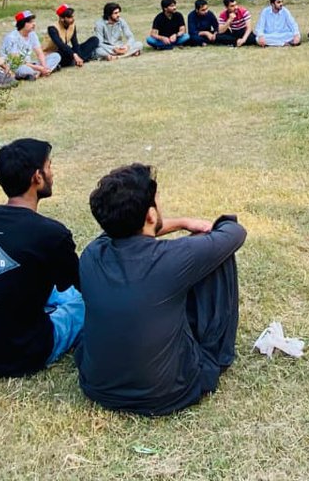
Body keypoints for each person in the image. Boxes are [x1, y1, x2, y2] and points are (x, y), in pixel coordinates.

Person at [77, 163, 246, 416]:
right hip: (169, 393)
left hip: (96, 387)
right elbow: (234, 233)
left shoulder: (91, 254)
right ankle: (217, 351)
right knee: (220, 254)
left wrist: (181, 223)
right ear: (151, 215)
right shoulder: (171, 258)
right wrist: (198, 228)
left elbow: (119, 233)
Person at [0, 139, 83, 377]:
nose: (52, 173)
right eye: (49, 167)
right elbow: (84, 285)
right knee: (85, 303)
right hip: (22, 354)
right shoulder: (51, 233)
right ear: (37, 177)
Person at [3, 11, 60, 79]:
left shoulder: (32, 34)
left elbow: (39, 53)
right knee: (24, 69)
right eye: (30, 22)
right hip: (15, 66)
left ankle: (39, 72)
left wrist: (44, 67)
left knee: (56, 56)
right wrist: (39, 68)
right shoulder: (12, 38)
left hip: (29, 64)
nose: (34, 24)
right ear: (22, 23)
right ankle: (40, 72)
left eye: (33, 22)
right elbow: (17, 62)